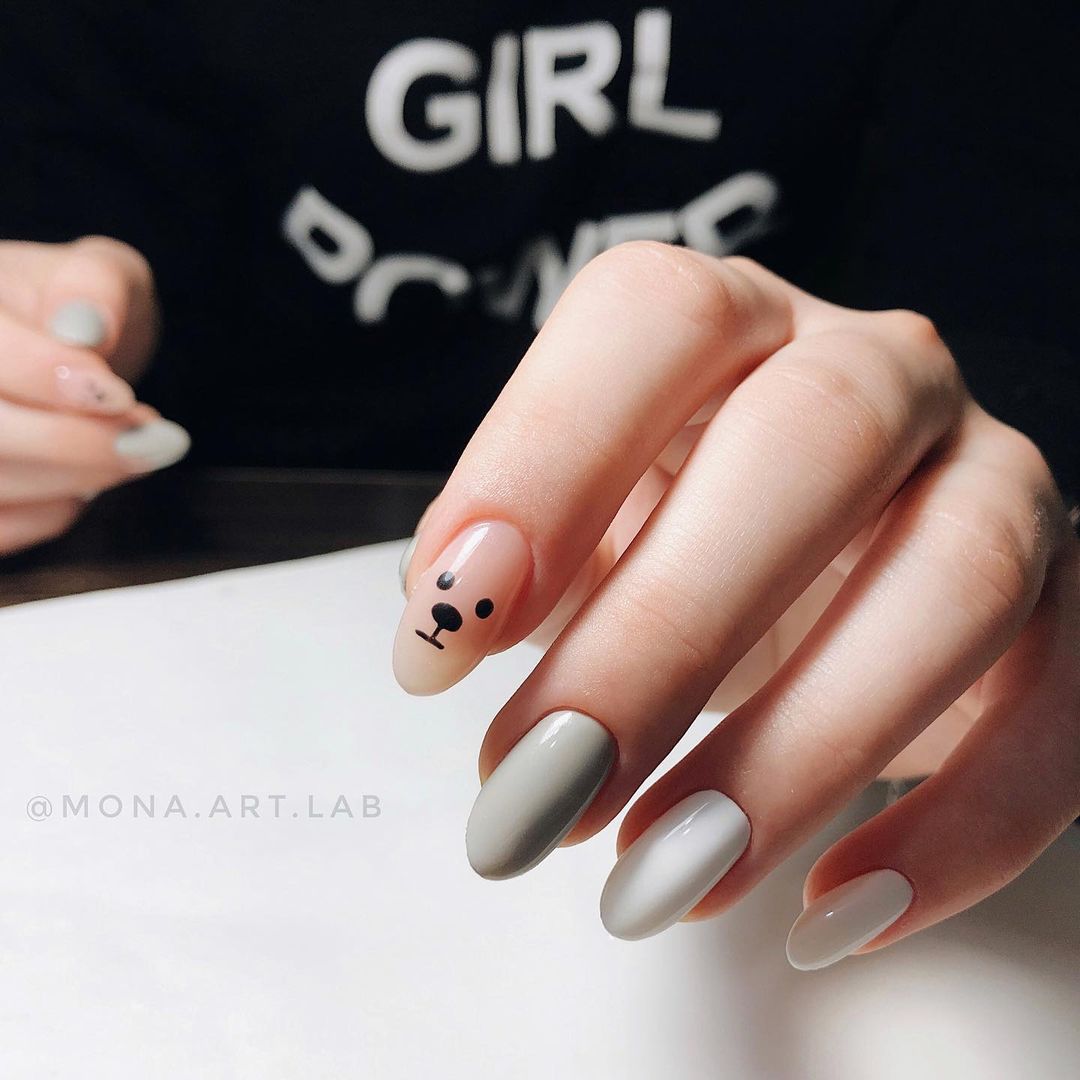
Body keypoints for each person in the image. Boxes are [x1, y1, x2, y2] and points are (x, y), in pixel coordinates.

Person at [1, 2, 1077, 970]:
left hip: (792, 571)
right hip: (181, 648)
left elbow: (1010, 281)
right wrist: (49, 361)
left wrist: (1005, 519)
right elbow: (85, 213)